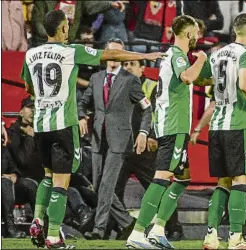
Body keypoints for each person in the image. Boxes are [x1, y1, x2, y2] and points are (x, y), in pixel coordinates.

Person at [20, 9, 164, 249]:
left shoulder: (31, 54)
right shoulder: (71, 51)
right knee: (61, 182)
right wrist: (146, 57)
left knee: (47, 175)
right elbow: (111, 54)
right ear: (63, 28)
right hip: (63, 125)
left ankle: (37, 220)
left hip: (41, 126)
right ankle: (53, 236)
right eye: (67, 25)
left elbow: (28, 86)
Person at [125, 15, 210, 249]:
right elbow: (188, 76)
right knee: (161, 178)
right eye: (196, 32)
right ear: (188, 34)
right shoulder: (177, 55)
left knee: (183, 179)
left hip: (174, 125)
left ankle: (159, 229)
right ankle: (138, 233)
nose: (198, 37)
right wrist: (202, 58)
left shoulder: (173, 56)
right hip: (173, 125)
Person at [202, 13, 246, 250]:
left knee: (223, 182)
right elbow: (245, 84)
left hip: (217, 124)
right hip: (237, 124)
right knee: (241, 180)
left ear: (234, 31)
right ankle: (235, 238)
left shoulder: (217, 54)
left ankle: (211, 236)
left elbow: (203, 81)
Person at [77, 37, 157, 240]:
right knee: (97, 185)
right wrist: (81, 117)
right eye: (110, 52)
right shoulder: (96, 78)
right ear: (105, 54)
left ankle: (99, 229)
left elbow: (147, 109)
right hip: (97, 138)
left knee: (106, 185)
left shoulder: (130, 80)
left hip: (119, 139)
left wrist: (143, 132)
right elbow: (83, 102)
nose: (114, 57)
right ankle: (128, 223)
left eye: (117, 53)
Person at [116, 59, 183, 241]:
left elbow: (159, 111)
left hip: (146, 148)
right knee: (114, 191)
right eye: (126, 64)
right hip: (123, 147)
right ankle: (122, 227)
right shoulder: (119, 85)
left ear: (142, 68)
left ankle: (173, 227)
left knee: (158, 186)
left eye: (132, 64)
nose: (128, 67)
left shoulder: (152, 86)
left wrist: (152, 135)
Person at [31, 0, 127, 46]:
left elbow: (90, 5)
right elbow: (38, 23)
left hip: (67, 44)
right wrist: (54, 36)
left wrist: (110, 4)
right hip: (43, 44)